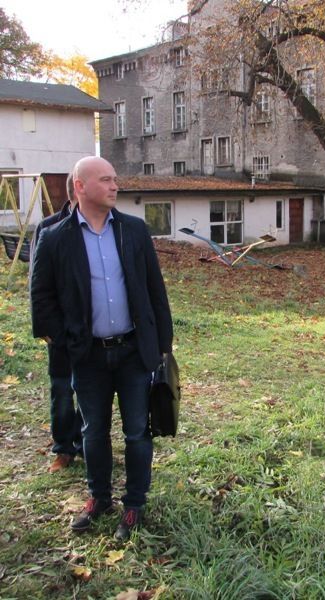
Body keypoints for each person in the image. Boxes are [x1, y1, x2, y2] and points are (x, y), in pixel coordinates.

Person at [31, 156, 173, 541]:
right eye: (106, 180)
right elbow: (41, 299)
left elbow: (155, 291)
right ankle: (99, 498)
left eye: (114, 179)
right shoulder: (55, 237)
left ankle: (134, 504)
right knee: (93, 432)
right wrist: (67, 341)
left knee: (137, 432)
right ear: (80, 186)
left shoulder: (134, 230)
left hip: (133, 353)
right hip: (88, 356)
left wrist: (162, 346)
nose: (114, 186)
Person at [30, 173, 83, 472]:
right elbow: (37, 283)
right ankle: (63, 448)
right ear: (76, 191)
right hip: (61, 329)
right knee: (62, 390)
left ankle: (85, 443)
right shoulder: (49, 228)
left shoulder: (100, 226)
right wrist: (47, 328)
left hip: (91, 328)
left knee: (91, 390)